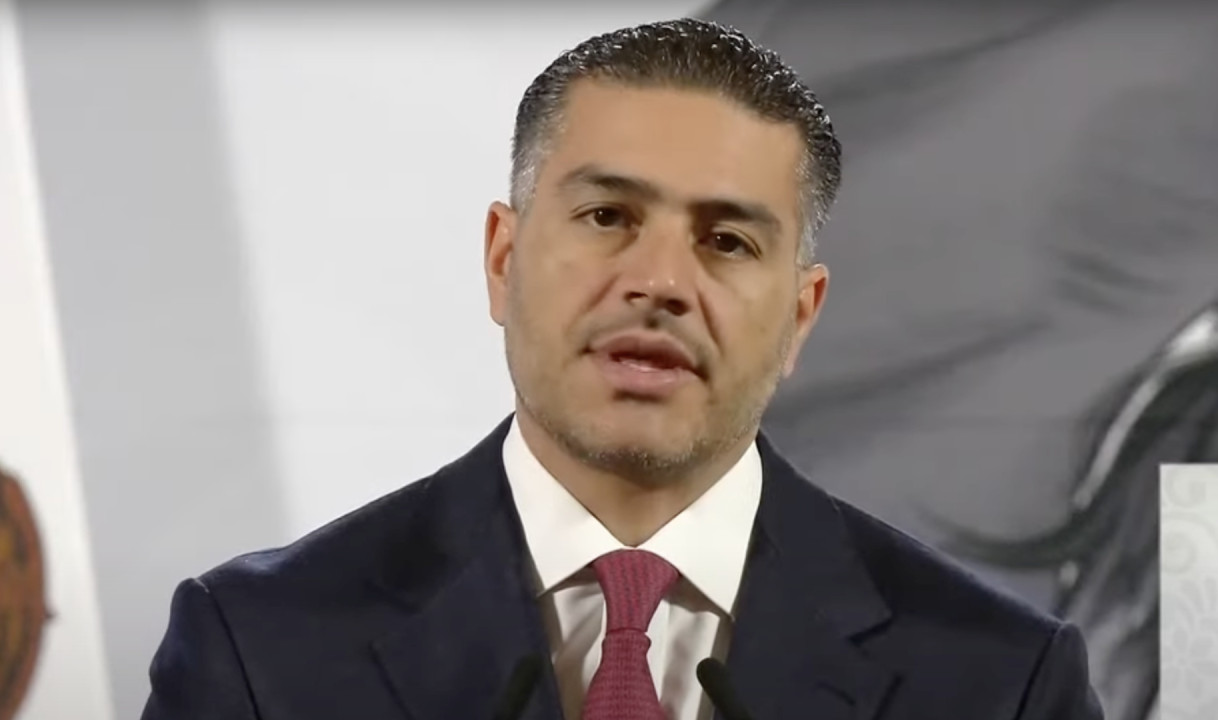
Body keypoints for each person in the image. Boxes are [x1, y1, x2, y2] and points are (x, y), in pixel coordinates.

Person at [141, 18, 1103, 720]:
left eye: (726, 241)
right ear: (503, 260)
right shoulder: (260, 647)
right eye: (608, 217)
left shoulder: (999, 679)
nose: (661, 283)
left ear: (800, 317)